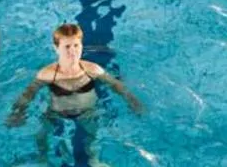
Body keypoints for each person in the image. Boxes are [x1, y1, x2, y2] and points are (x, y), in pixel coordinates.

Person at [8, 21, 142, 123]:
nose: (72, 51)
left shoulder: (92, 70)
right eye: (67, 46)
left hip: (88, 113)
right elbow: (27, 95)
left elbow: (117, 85)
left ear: (82, 46)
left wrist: (133, 102)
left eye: (76, 45)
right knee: (41, 139)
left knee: (92, 144)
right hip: (55, 114)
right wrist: (17, 113)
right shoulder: (47, 74)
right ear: (56, 48)